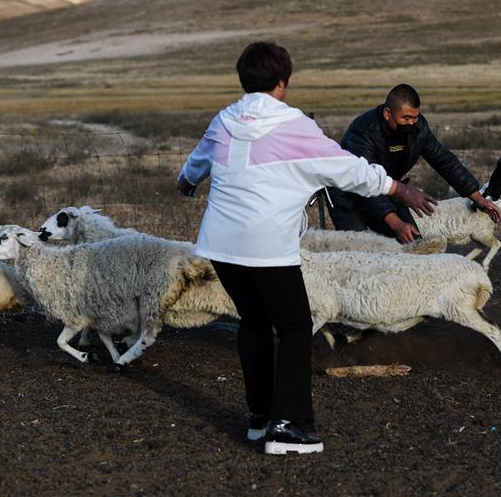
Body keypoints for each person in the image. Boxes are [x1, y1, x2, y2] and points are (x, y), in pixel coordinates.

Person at [176, 42, 436, 455]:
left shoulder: (224, 120)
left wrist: (187, 181)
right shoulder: (292, 124)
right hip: (265, 248)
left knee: (254, 322)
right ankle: (288, 426)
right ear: (282, 84)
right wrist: (399, 187)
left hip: (221, 246)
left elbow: (195, 165)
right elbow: (348, 168)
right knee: (296, 328)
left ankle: (260, 419)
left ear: (244, 80)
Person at [328, 83, 501, 243]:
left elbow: (443, 160)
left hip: (391, 188)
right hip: (349, 194)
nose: (411, 123)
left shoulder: (418, 129)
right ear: (388, 113)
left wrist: (478, 198)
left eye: (415, 117)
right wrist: (397, 225)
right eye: (406, 118)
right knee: (358, 253)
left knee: (413, 245)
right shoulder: (363, 132)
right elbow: (366, 182)